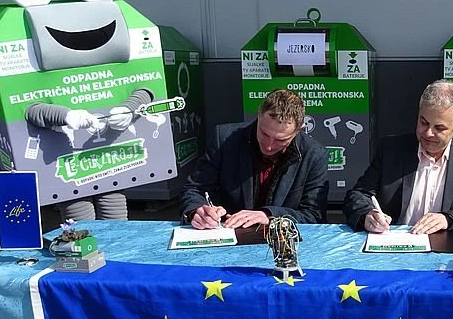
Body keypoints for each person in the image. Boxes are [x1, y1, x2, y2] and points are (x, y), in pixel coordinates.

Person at [344, 79, 453, 234]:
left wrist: (449, 219)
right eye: (424, 122)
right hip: (395, 243)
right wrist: (368, 215)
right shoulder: (391, 149)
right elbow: (358, 196)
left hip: (449, 246)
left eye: (439, 128)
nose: (428, 133)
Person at [181, 89, 328, 229]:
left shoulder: (313, 154)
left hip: (283, 239)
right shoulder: (225, 139)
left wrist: (269, 215)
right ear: (258, 116)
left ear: (299, 130)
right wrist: (197, 211)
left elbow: (314, 215)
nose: (269, 146)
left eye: (281, 140)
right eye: (264, 134)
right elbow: (195, 189)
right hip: (229, 232)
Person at [25, 88, 154, 221]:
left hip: (109, 161)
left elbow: (148, 86)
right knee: (80, 218)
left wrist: (129, 109)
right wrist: (65, 115)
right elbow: (25, 106)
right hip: (70, 167)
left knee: (113, 214)